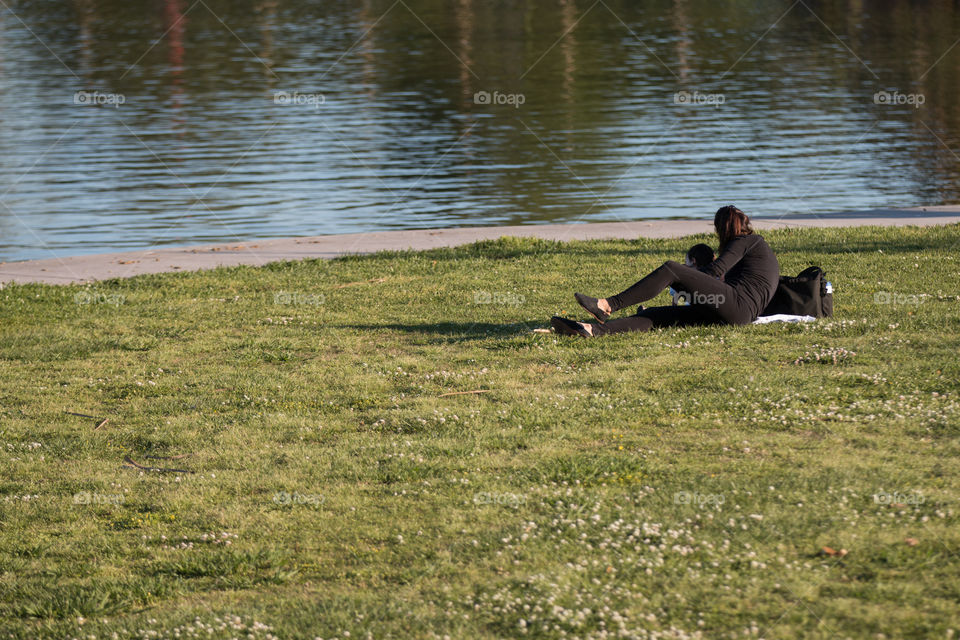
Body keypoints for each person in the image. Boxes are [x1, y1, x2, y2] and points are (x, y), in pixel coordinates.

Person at [551, 205, 779, 337]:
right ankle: (592, 330)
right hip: (735, 312)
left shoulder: (748, 241)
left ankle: (607, 305)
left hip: (738, 308)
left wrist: (688, 278)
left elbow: (714, 272)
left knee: (672, 269)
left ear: (725, 228)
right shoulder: (754, 248)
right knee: (657, 316)